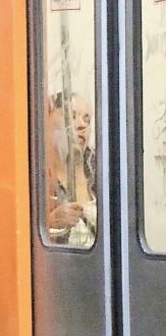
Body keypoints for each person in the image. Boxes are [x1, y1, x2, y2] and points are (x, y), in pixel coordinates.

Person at [45, 91, 96, 248]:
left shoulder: (98, 170)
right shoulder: (36, 175)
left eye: (87, 120)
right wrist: (50, 223)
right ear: (49, 122)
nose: (82, 125)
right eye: (71, 116)